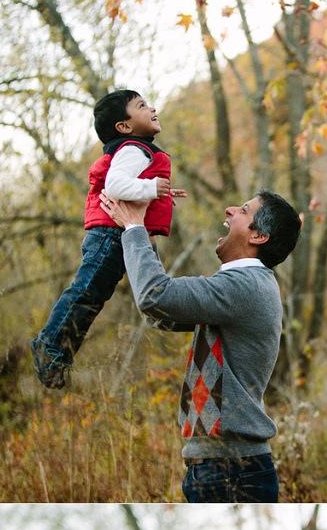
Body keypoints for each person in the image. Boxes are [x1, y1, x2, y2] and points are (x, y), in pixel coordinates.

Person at [97, 186, 302, 500]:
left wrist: (134, 228)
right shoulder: (246, 286)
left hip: (230, 468)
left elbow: (155, 297)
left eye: (243, 210)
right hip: (223, 466)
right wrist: (147, 232)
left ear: (258, 236)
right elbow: (161, 314)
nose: (229, 211)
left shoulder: (246, 286)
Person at [31, 90, 185, 390]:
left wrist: (159, 193)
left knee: (94, 296)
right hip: (110, 233)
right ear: (124, 126)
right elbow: (116, 183)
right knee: (87, 290)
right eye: (141, 106)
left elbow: (133, 184)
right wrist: (152, 188)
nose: (152, 107)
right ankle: (49, 344)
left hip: (117, 234)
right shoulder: (133, 149)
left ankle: (59, 354)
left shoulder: (138, 150)